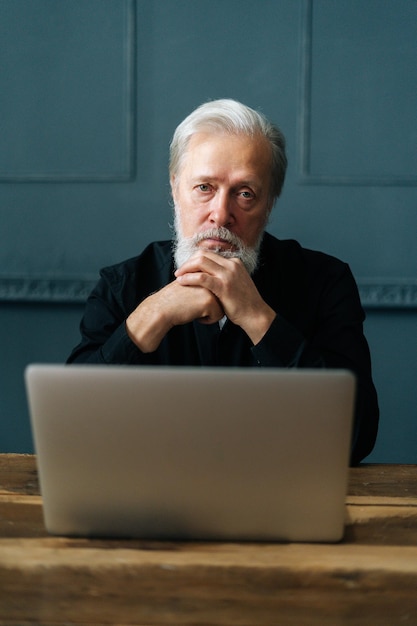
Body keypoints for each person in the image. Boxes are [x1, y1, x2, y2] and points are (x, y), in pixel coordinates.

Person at [67, 98, 379, 465]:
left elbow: (355, 438)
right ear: (174, 188)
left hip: (276, 502)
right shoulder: (122, 285)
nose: (220, 214)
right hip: (148, 508)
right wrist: (149, 316)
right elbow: (72, 428)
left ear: (270, 203)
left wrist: (257, 317)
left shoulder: (325, 282)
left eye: (244, 193)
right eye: (204, 188)